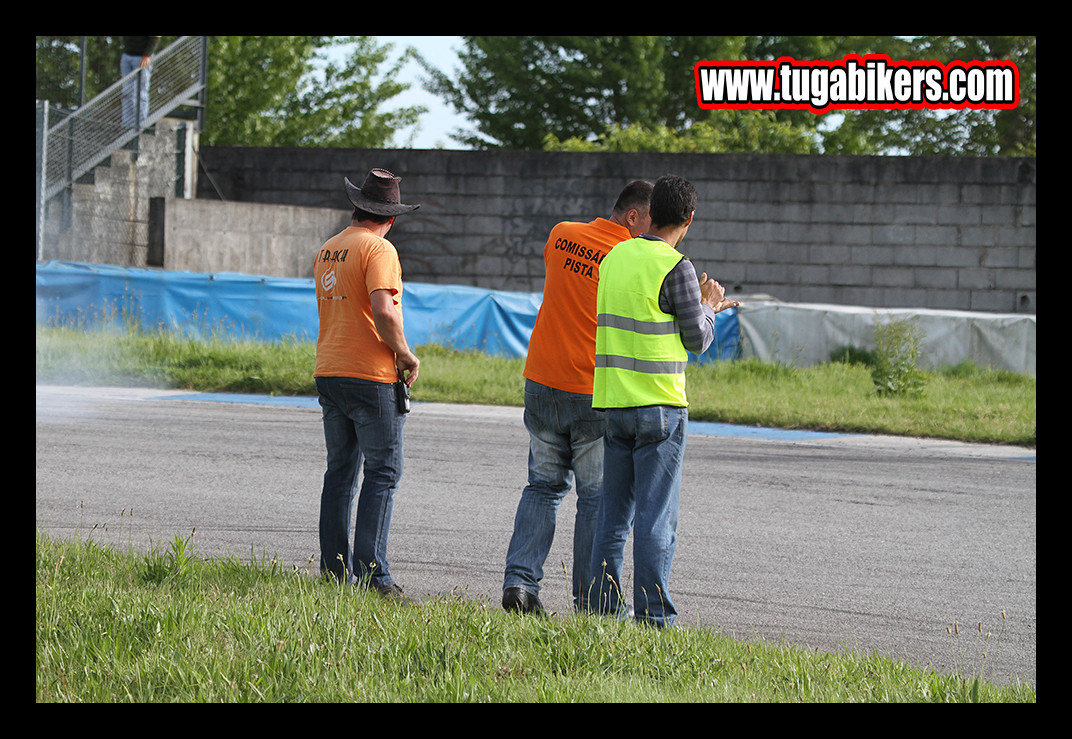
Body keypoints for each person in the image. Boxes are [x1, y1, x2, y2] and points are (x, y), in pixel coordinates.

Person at [587, 174, 739, 628]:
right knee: (656, 517)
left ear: (649, 214)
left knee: (613, 515)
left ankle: (601, 608)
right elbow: (698, 339)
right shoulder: (678, 268)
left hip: (614, 402)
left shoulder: (613, 257)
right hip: (659, 407)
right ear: (689, 219)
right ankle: (654, 618)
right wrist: (710, 304)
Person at [502, 180, 654, 616]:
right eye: (650, 221)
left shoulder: (560, 234)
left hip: (542, 381)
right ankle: (591, 601)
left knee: (543, 487)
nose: (653, 231)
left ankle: (520, 583)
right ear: (632, 217)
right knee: (594, 499)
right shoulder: (629, 258)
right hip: (591, 389)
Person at [314, 169, 421, 602]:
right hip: (370, 375)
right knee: (383, 472)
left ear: (356, 207)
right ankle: (375, 576)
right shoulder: (380, 248)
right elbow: (384, 310)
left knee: (340, 472)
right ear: (390, 217)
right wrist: (405, 353)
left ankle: (334, 572)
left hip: (330, 369)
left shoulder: (328, 248)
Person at [120, 36, 159, 128]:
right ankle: (127, 123)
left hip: (142, 57)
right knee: (127, 92)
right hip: (127, 55)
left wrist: (147, 55)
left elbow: (156, 37)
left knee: (141, 92)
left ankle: (141, 123)